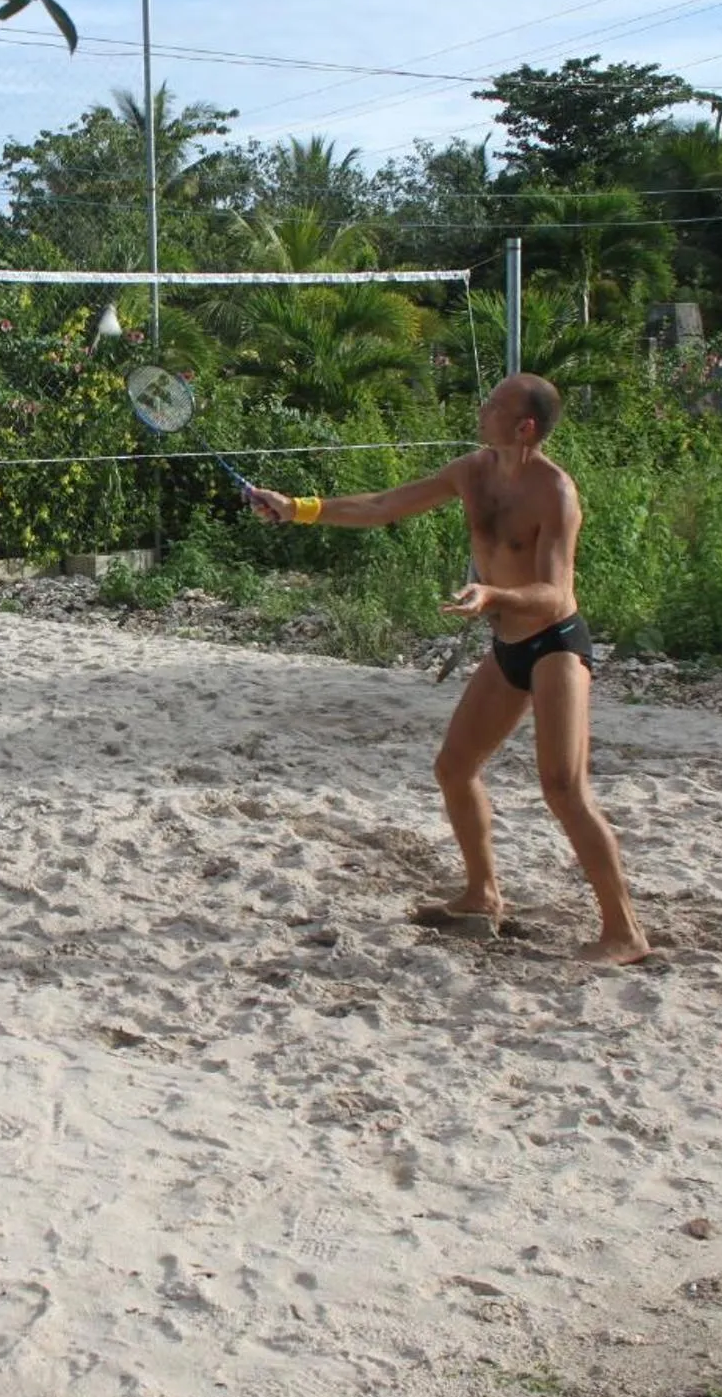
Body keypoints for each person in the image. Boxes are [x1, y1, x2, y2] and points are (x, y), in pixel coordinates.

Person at [244, 373, 651, 965]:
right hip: (509, 642)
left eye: (495, 405)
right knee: (455, 766)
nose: (481, 408)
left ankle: (624, 933)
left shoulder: (554, 492)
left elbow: (557, 597)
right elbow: (385, 505)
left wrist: (492, 597)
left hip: (555, 644)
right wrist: (298, 508)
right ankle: (482, 895)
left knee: (563, 787)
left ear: (525, 427)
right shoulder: (472, 471)